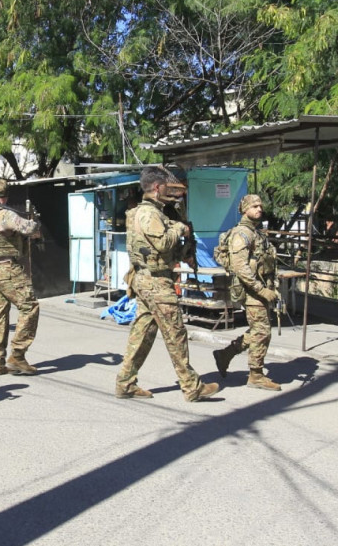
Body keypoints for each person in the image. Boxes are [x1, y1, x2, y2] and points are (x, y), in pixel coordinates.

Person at [115, 166, 220, 402]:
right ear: (156, 187)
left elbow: (161, 249)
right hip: (155, 282)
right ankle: (191, 387)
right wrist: (179, 228)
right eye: (166, 186)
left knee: (143, 333)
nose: (170, 190)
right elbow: (162, 243)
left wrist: (185, 251)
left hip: (147, 280)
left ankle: (125, 383)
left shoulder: (147, 212)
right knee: (176, 333)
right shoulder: (149, 214)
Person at [213, 194, 282, 390]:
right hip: (252, 291)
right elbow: (240, 267)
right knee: (262, 331)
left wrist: (272, 287)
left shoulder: (256, 233)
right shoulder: (242, 234)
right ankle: (256, 375)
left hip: (262, 288)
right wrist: (261, 290)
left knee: (258, 330)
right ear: (245, 210)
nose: (259, 209)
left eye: (260, 206)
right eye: (254, 206)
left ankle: (225, 354)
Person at [0, 178, 41, 376]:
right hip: (6, 269)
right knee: (30, 307)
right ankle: (18, 356)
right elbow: (29, 229)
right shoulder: (5, 214)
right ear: (6, 195)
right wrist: (35, 222)